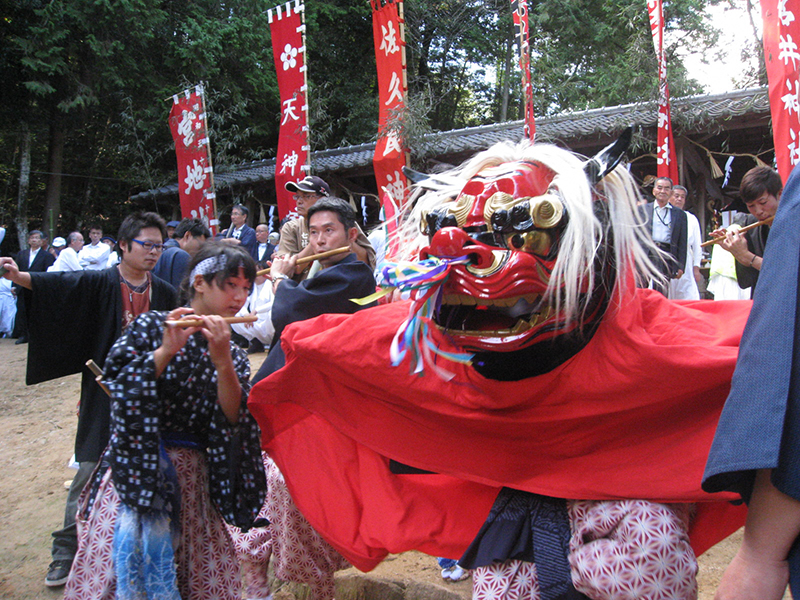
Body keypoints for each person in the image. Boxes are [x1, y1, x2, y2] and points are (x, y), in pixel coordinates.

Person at [63, 242, 266, 599]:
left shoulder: (230, 349)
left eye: (246, 288)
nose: (240, 297)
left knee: (197, 577)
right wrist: (164, 351)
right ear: (200, 282)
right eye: (230, 285)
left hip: (193, 479)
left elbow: (234, 420)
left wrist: (223, 363)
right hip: (137, 472)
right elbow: (121, 391)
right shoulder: (151, 326)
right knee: (122, 574)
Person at [0, 212, 178, 587]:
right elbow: (61, 284)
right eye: (146, 245)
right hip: (103, 390)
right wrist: (19, 278)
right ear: (124, 246)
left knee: (155, 467)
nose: (153, 252)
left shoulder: (162, 290)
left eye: (159, 246)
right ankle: (65, 553)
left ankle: (141, 552)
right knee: (91, 468)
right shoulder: (100, 281)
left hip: (149, 394)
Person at [243, 198, 376, 600]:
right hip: (294, 396)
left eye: (328, 231)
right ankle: (259, 574)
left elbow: (291, 313)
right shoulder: (324, 270)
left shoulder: (353, 274)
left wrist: (283, 278)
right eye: (313, 232)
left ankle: (305, 581)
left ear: (351, 234)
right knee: (264, 487)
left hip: (317, 404)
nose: (319, 240)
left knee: (297, 493)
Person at [702, 164, 800, 599]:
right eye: (753, 206)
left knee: (762, 553)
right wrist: (746, 258)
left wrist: (750, 259)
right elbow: (758, 281)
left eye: (765, 202)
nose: (761, 210)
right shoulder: (763, 228)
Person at [279, 175, 376, 280]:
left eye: (306, 196)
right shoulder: (291, 227)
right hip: (304, 291)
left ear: (323, 199)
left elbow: (366, 261)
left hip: (341, 284)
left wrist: (345, 239)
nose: (299, 201)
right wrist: (317, 243)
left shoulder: (343, 222)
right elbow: (291, 268)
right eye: (297, 196)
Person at [714, 166, 782, 295]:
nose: (758, 211)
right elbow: (747, 281)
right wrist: (737, 251)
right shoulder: (752, 225)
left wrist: (747, 256)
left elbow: (788, 273)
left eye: (763, 202)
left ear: (779, 194)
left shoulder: (794, 224)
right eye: (751, 206)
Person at [641, 177, 688, 295]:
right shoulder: (641, 210)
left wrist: (681, 265)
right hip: (645, 252)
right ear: (654, 191)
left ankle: (658, 313)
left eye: (667, 188)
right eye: (659, 187)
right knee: (640, 288)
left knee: (661, 291)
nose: (663, 191)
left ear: (671, 192)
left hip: (665, 254)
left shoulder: (680, 214)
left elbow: (682, 243)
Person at [12, 229, 55, 344]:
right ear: (28, 240)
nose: (34, 240)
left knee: (37, 310)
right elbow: (16, 270)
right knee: (22, 311)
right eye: (32, 238)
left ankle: (38, 335)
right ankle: (24, 335)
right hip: (22, 285)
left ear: (42, 241)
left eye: (37, 238)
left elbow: (49, 272)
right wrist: (14, 285)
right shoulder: (22, 254)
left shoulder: (47, 256)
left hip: (37, 286)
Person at [231, 261, 274, 355]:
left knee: (272, 314)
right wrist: (246, 315)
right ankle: (256, 343)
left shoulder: (271, 283)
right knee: (235, 315)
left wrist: (255, 311)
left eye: (258, 270)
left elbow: (274, 302)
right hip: (254, 321)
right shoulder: (251, 287)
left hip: (268, 323)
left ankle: (275, 344)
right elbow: (242, 303)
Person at [152, 218, 211, 288]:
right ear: (187, 236)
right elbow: (182, 294)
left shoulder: (161, 250)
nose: (200, 251)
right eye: (200, 246)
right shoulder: (180, 255)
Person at [668, 185, 703, 300]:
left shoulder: (691, 218)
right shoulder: (663, 215)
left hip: (686, 262)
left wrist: (696, 268)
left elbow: (697, 245)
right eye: (676, 196)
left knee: (687, 295)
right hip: (667, 258)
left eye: (682, 197)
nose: (679, 199)